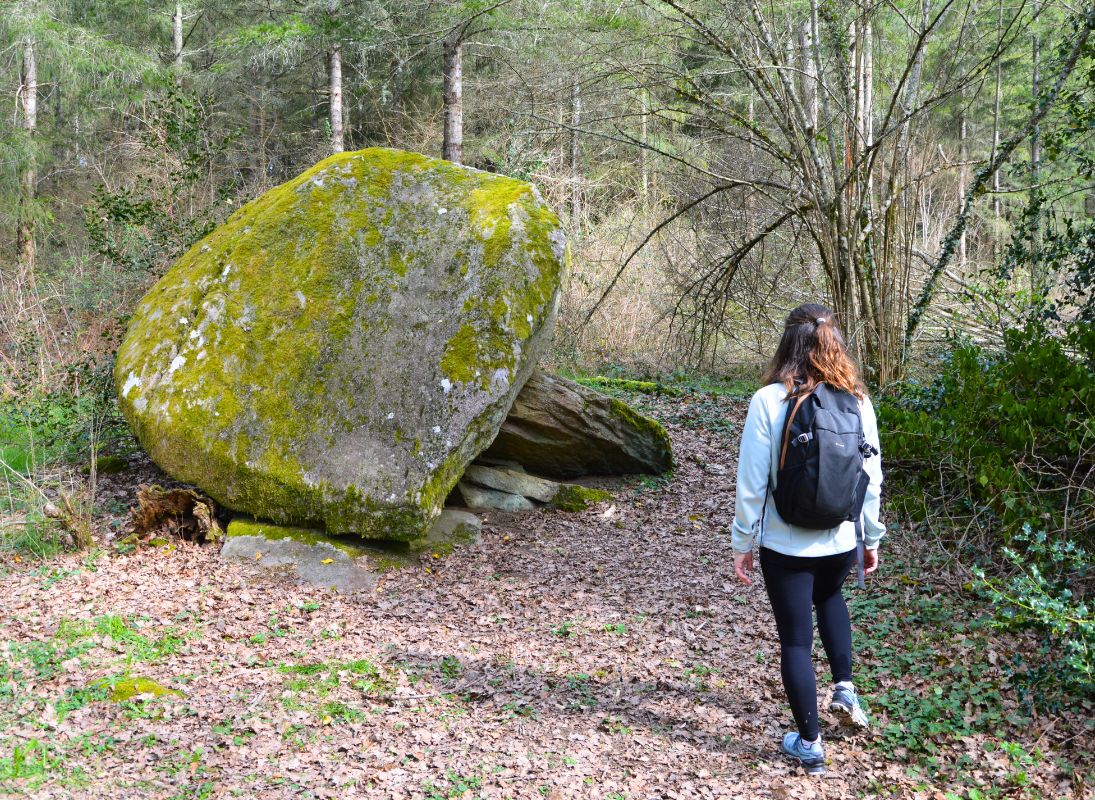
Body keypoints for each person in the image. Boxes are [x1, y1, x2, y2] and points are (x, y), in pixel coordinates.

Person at [730, 302, 884, 773]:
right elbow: (871, 478)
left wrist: (742, 543)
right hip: (840, 540)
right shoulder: (857, 399)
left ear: (787, 343)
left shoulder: (769, 400)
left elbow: (752, 482)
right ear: (834, 342)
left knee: (796, 643)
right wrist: (870, 538)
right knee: (831, 597)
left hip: (786, 544)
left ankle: (810, 744)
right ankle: (845, 687)